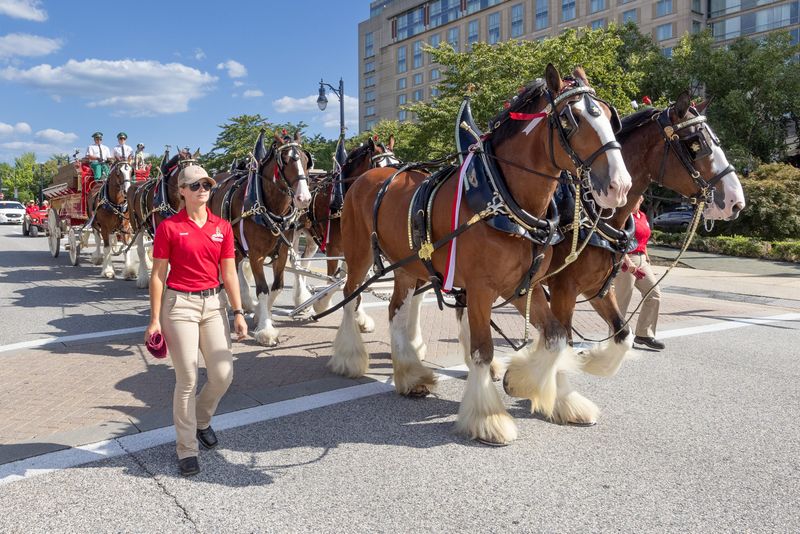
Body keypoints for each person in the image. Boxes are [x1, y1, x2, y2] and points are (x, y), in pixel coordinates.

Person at [145, 164, 248, 477]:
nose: (202, 189)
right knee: (187, 378)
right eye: (194, 186)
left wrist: (239, 311)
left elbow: (229, 271)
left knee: (222, 375)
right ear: (181, 191)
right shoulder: (169, 227)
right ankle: (187, 448)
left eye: (206, 184)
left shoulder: (222, 227)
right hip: (179, 306)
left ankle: (202, 419)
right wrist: (154, 320)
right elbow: (158, 275)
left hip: (214, 304)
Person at [614, 195, 665, 351]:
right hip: (626, 259)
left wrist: (646, 257)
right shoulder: (624, 216)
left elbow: (643, 238)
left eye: (640, 198)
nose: (639, 200)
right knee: (623, 299)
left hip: (641, 259)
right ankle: (616, 336)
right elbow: (618, 240)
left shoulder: (641, 216)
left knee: (654, 294)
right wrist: (627, 261)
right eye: (636, 198)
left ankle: (644, 334)